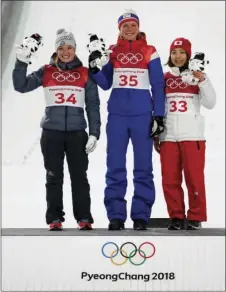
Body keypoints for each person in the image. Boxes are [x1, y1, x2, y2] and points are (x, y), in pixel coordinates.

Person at [13, 29, 101, 231]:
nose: (65, 51)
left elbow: (93, 105)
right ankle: (54, 218)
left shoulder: (85, 73)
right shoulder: (47, 71)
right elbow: (21, 85)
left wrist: (95, 133)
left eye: (69, 47)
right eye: (61, 48)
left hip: (77, 133)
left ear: (75, 49)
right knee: (53, 177)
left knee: (79, 177)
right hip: (52, 133)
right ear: (56, 50)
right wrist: (21, 61)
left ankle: (84, 217)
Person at [88, 11, 166, 230]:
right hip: (117, 117)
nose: (129, 29)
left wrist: (158, 115)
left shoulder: (150, 51)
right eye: (125, 26)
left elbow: (158, 85)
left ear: (138, 27)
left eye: (133, 25)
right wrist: (94, 68)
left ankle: (141, 215)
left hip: (142, 116)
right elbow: (104, 83)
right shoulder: (111, 52)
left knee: (143, 167)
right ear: (119, 29)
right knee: (115, 167)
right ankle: (116, 215)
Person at [153, 37, 216, 230]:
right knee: (170, 179)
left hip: (192, 136)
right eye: (174, 52)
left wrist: (203, 80)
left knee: (194, 177)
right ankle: (177, 216)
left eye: (182, 52)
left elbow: (210, 103)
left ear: (188, 55)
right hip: (169, 136)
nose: (178, 56)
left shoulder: (197, 77)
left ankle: (195, 217)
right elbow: (158, 105)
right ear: (170, 55)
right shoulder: (164, 78)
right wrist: (157, 132)